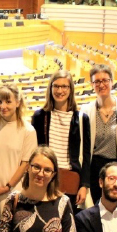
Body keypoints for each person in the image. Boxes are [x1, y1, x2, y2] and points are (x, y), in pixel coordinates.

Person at [31, 70, 91, 211]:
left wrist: (84, 185)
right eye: (56, 86)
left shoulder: (81, 118)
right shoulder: (40, 116)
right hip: (45, 178)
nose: (60, 90)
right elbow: (34, 151)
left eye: (64, 86)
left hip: (71, 181)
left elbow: (86, 155)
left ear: (70, 89)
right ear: (50, 88)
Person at [0, 146, 77, 232]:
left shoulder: (63, 202)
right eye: (36, 167)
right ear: (28, 168)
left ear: (53, 175)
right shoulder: (13, 199)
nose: (40, 173)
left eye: (47, 170)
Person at [81, 64, 117, 205]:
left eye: (105, 80)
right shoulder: (85, 110)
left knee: (116, 209)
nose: (101, 84)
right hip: (94, 169)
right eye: (97, 81)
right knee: (95, 210)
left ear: (112, 82)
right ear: (92, 84)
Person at [0, 84, 38, 218]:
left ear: (18, 102)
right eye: (0, 101)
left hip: (13, 191)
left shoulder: (28, 130)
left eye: (8, 101)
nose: (3, 106)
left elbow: (25, 164)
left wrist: (7, 187)